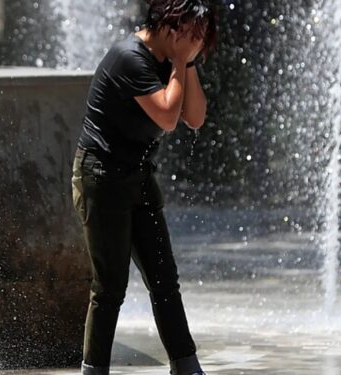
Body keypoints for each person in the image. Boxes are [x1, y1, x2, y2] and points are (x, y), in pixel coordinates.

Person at [70, 1, 218, 374]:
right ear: (170, 25)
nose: (197, 44)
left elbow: (195, 117)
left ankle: (186, 366)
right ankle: (94, 370)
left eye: (202, 40)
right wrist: (182, 63)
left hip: (138, 176)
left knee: (164, 279)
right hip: (100, 178)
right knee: (110, 286)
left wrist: (188, 62)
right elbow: (168, 116)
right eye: (193, 35)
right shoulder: (129, 57)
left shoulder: (174, 59)